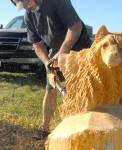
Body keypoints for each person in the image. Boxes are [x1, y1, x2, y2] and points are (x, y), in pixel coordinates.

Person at [11, 0, 92, 140]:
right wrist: (47, 62)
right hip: (56, 51)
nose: (27, 7)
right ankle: (45, 128)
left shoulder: (57, 2)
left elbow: (75, 27)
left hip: (79, 48)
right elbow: (37, 44)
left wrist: (63, 52)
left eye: (27, 2)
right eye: (23, 6)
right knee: (51, 88)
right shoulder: (28, 16)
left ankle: (83, 128)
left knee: (79, 90)